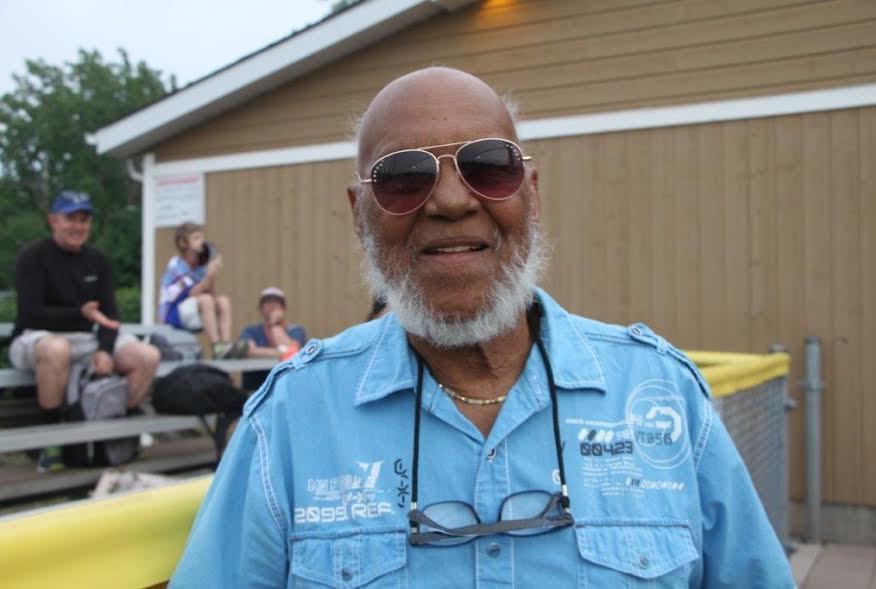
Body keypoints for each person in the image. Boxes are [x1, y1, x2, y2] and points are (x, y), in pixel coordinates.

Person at [171, 68, 795, 587]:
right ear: (359, 215)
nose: (451, 201)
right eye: (404, 178)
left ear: (531, 193)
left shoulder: (661, 393)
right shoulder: (292, 419)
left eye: (488, 166)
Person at [9, 190, 161, 470]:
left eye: (84, 220)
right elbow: (31, 313)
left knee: (147, 356)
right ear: (53, 220)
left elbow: (109, 316)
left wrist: (105, 350)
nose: (78, 226)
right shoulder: (33, 256)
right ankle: (51, 442)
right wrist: (79, 314)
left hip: (86, 338)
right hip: (35, 336)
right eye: (71, 219)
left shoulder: (97, 260)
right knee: (57, 349)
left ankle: (117, 434)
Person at [157, 223, 244, 359]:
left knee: (223, 301)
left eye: (202, 238)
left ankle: (226, 345)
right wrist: (209, 275)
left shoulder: (200, 267)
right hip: (172, 313)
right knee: (205, 300)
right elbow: (191, 293)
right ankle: (216, 347)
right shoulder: (176, 265)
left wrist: (212, 273)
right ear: (182, 243)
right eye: (196, 238)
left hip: (192, 309)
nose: (202, 242)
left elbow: (211, 294)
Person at [237, 286, 307, 390]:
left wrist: (275, 324)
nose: (272, 306)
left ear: (283, 308)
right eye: (267, 302)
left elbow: (292, 352)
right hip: (256, 385)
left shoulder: (296, 330)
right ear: (260, 308)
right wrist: (281, 352)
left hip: (286, 384)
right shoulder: (251, 330)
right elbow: (248, 350)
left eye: (276, 302)